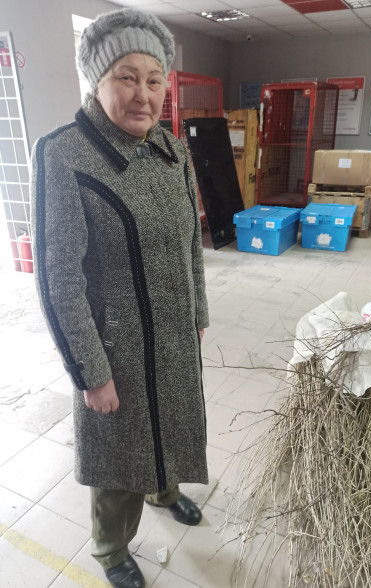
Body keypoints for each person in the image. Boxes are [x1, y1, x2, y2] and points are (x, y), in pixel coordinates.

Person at [31, 9, 209, 588]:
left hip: (174, 331)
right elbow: (59, 279)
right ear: (97, 80)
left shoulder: (172, 149)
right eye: (126, 77)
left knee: (171, 418)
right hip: (115, 345)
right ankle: (110, 548)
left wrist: (197, 311)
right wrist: (91, 372)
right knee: (120, 451)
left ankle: (165, 489)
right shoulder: (65, 155)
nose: (143, 94)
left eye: (154, 80)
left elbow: (191, 242)